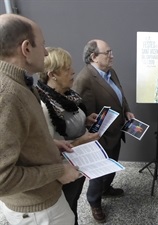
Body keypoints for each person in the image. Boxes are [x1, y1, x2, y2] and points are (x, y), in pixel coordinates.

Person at [0, 14, 81, 225]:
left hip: (42, 201)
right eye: (42, 44)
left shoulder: (19, 84)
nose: (45, 52)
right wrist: (59, 170)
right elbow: (2, 179)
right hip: (37, 212)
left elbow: (19, 136)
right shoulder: (8, 94)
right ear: (26, 48)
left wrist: (49, 143)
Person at [72, 39, 135, 223]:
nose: (112, 55)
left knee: (112, 164)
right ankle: (94, 202)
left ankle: (107, 189)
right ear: (94, 57)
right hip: (99, 137)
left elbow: (119, 93)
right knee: (98, 174)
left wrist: (127, 110)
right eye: (107, 52)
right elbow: (82, 114)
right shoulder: (84, 80)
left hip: (116, 131)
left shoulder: (110, 71)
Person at [36, 47, 100, 225]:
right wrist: (81, 141)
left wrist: (85, 121)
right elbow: (47, 148)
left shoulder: (69, 96)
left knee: (73, 205)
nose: (73, 71)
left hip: (78, 164)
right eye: (67, 68)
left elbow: (70, 121)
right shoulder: (44, 106)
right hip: (63, 172)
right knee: (67, 208)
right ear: (52, 75)